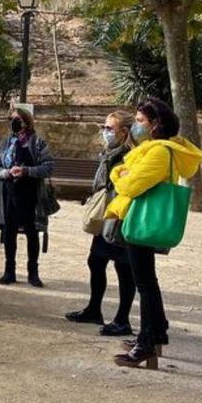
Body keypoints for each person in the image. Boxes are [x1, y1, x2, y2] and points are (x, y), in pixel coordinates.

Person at [108, 98, 202, 369]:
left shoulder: (159, 153)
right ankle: (156, 331)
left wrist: (118, 174)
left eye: (139, 122)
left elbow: (131, 185)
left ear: (155, 125)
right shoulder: (157, 150)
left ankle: (148, 341)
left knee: (145, 283)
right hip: (143, 221)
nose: (135, 126)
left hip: (142, 222)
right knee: (147, 280)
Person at [65, 111, 136, 336]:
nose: (105, 132)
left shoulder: (128, 155)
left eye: (109, 128)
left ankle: (122, 319)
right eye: (104, 128)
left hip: (120, 216)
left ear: (123, 132)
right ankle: (94, 309)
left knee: (124, 268)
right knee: (96, 261)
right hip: (108, 215)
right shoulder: (111, 152)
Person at [0, 107, 55, 287]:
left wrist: (26, 171)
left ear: (27, 121)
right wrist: (6, 172)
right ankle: (9, 271)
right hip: (9, 194)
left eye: (17, 119)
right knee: (8, 233)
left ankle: (33, 272)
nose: (14, 122)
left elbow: (48, 167)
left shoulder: (38, 143)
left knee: (32, 233)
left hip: (31, 195)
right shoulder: (4, 144)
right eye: (11, 119)